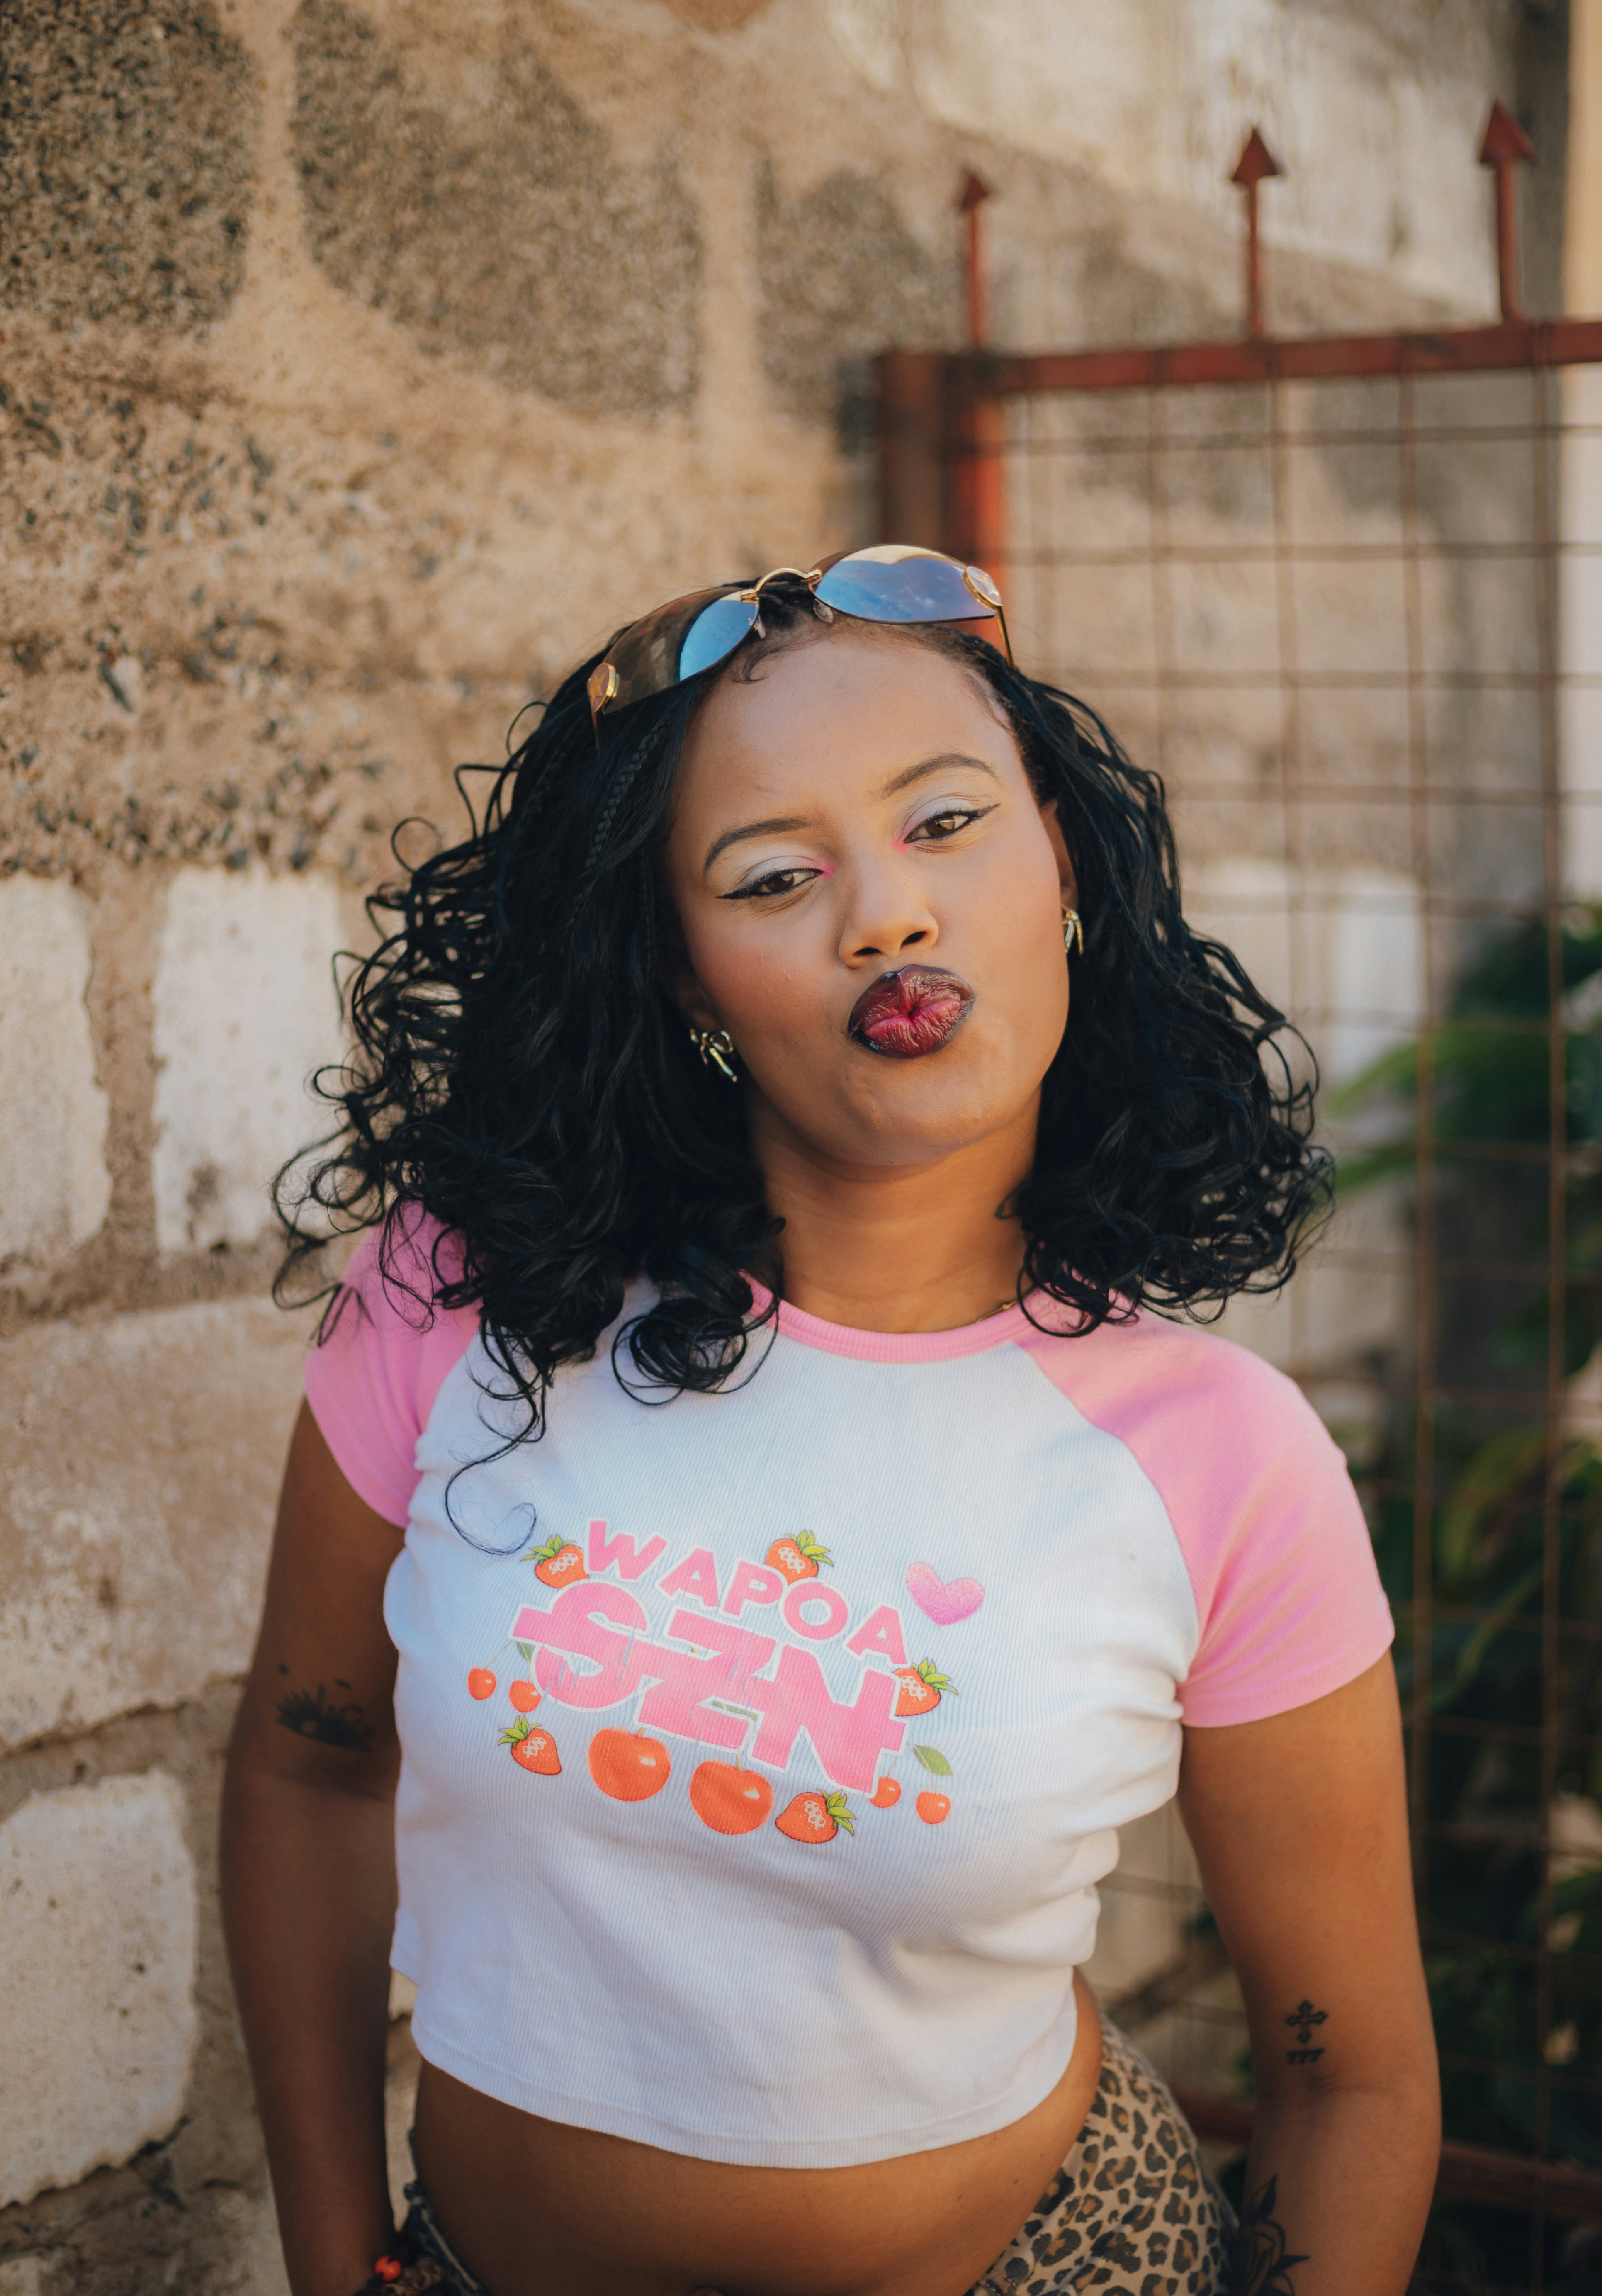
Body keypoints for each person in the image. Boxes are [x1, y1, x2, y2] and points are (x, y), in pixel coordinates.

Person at [221, 548, 1439, 2296]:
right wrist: (336, 2264)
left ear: (1065, 866)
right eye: (774, 873)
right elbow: (307, 1763)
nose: (882, 913)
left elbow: (1352, 2072)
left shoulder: (1220, 1454)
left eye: (942, 824)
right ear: (683, 978)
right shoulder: (465, 1300)